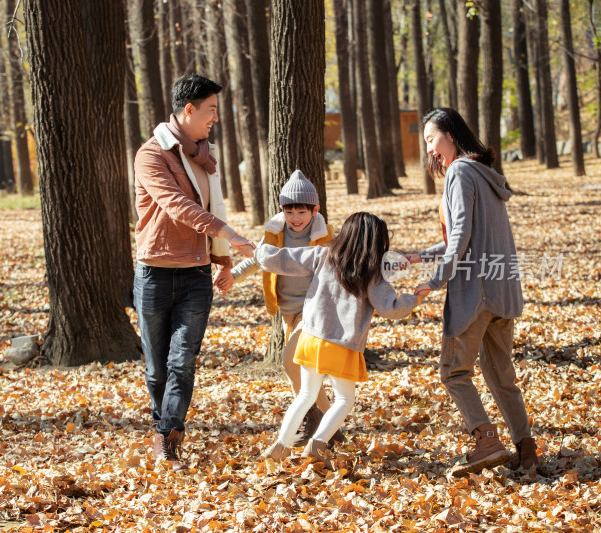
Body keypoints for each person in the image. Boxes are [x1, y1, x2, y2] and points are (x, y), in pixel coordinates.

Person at [133, 73, 256, 471]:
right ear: (189, 110)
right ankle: (162, 429)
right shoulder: (152, 155)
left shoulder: (206, 156)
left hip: (196, 276)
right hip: (154, 272)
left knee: (182, 360)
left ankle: (168, 436)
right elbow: (176, 205)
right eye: (211, 110)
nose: (215, 118)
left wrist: (223, 262)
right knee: (156, 367)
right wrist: (232, 236)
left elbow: (213, 206)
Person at [408, 107, 538, 476]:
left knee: (453, 371)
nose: (430, 149)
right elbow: (464, 237)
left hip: (475, 293)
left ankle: (487, 442)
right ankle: (526, 451)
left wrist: (436, 281)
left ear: (451, 134)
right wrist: (417, 257)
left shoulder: (460, 172)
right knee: (501, 376)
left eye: (432, 139)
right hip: (503, 292)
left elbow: (461, 236)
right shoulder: (487, 174)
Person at [254, 212, 420, 467]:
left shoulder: (323, 254)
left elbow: (284, 259)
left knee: (306, 394)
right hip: (341, 343)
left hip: (310, 337)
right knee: (344, 399)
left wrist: (260, 251)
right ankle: (317, 444)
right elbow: (391, 308)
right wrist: (414, 298)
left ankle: (281, 446)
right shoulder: (371, 272)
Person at [217, 170, 342, 446]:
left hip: (314, 311)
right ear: (282, 209)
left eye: (302, 211)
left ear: (315, 210)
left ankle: (316, 420)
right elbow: (258, 259)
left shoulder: (325, 238)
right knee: (305, 370)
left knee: (290, 362)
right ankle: (329, 423)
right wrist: (233, 276)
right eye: (289, 211)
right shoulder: (275, 233)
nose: (295, 218)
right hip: (288, 311)